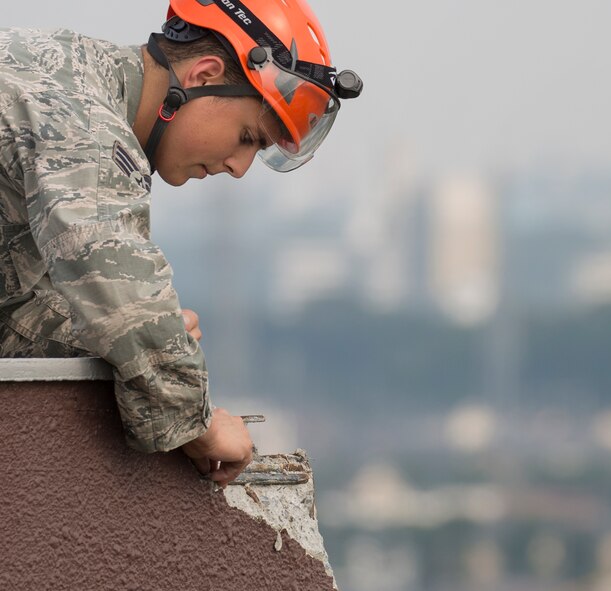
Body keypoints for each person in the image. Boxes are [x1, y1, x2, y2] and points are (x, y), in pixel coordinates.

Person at [0, 0, 362, 486]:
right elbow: (118, 285)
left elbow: (16, 305)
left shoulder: (73, 75)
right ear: (205, 75)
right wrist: (199, 421)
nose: (239, 168)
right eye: (248, 137)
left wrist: (129, 339)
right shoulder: (77, 110)